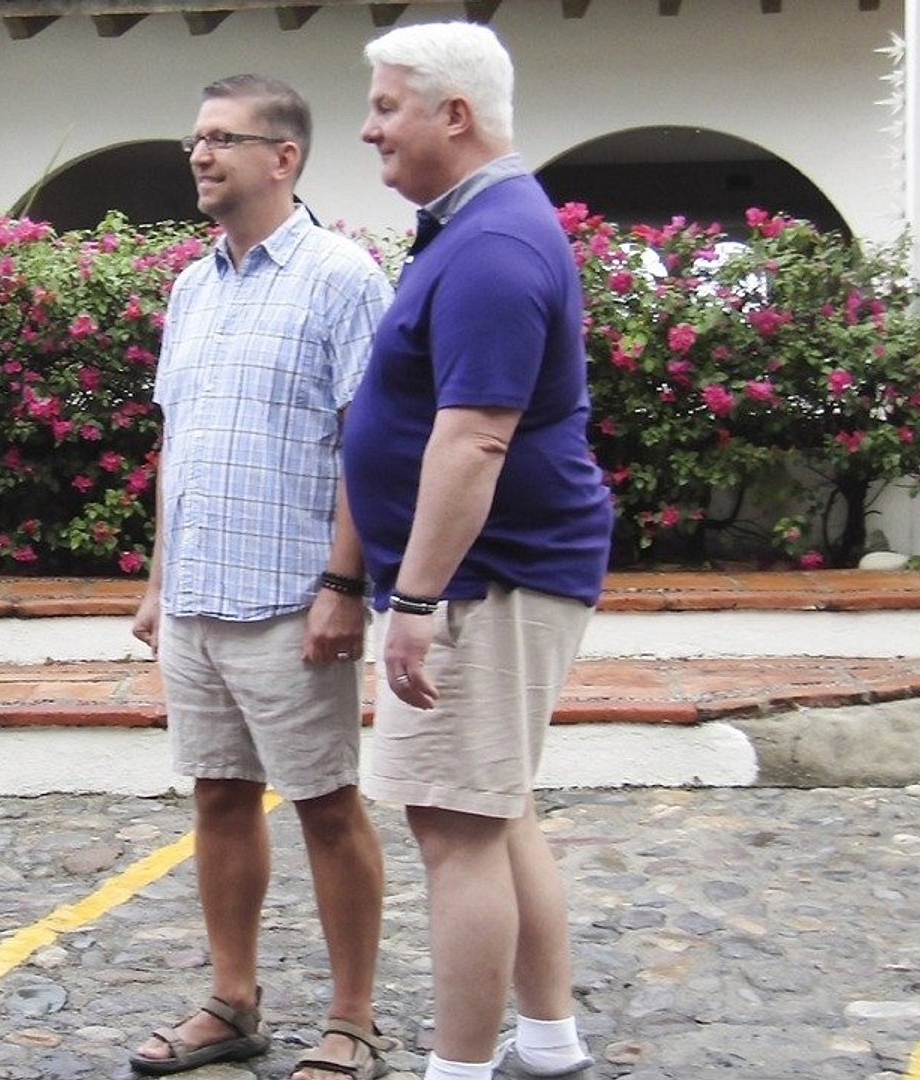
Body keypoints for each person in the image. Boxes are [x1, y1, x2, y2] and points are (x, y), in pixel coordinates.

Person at [342, 23, 616, 1080]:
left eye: (385, 106)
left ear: (452, 115)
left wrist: (415, 599)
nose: (367, 128)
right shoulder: (481, 225)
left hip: (484, 579)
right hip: (497, 572)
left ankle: (456, 1070)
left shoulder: (494, 244)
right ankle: (548, 1044)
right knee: (494, 811)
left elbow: (477, 437)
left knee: (455, 828)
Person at [129, 75, 396, 1080]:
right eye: (194, 138)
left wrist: (344, 583)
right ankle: (232, 1004)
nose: (200, 156)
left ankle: (353, 1021)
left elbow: (367, 444)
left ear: (283, 158)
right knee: (218, 798)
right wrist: (159, 582)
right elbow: (178, 443)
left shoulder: (342, 277)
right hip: (199, 596)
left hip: (294, 598)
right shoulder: (190, 286)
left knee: (327, 803)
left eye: (223, 139)